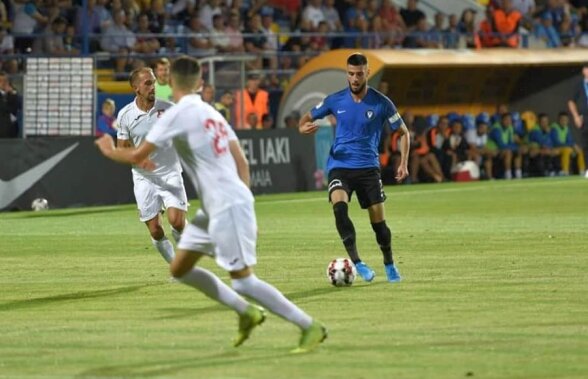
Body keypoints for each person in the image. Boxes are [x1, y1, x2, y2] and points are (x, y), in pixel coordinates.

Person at [95, 56, 327, 353]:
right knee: (179, 269)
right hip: (220, 204)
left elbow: (134, 156)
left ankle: (309, 326)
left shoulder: (176, 114)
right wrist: (245, 200)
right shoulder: (210, 112)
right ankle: (247, 312)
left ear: (170, 82)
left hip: (227, 204)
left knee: (243, 282)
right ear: (198, 82)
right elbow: (241, 160)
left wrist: (107, 149)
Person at [298, 52, 410, 283]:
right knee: (339, 209)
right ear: (347, 74)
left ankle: (389, 264)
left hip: (369, 168)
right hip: (340, 166)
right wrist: (304, 128)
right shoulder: (334, 100)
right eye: (351, 74)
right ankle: (357, 263)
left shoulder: (381, 103)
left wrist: (404, 162)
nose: (355, 79)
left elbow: (403, 133)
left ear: (367, 73)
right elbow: (304, 120)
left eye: (359, 74)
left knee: (379, 225)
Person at [116, 67, 187, 264]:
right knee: (156, 230)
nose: (153, 87)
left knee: (177, 221)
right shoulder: (125, 116)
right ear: (136, 88)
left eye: (154, 82)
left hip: (170, 172)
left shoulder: (169, 108)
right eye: (147, 83)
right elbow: (121, 149)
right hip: (143, 177)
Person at [567, 63, 588, 178]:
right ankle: (587, 168)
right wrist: (576, 116)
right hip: (585, 116)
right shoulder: (579, 85)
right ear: (584, 71)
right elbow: (571, 101)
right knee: (586, 143)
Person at [0, 71, 20, 138]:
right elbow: (3, 108)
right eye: (1, 81)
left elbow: (17, 107)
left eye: (5, 81)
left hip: (11, 129)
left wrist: (12, 92)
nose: (3, 83)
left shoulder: (13, 94)